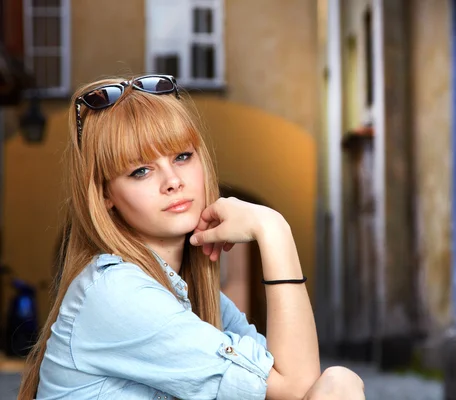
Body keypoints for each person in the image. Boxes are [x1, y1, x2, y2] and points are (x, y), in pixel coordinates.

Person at [17, 75, 365, 400]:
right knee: (340, 386)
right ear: (105, 195)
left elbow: (293, 377)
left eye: (182, 156)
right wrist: (274, 229)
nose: (172, 181)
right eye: (140, 170)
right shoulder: (116, 294)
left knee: (341, 382)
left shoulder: (188, 291)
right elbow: (293, 386)